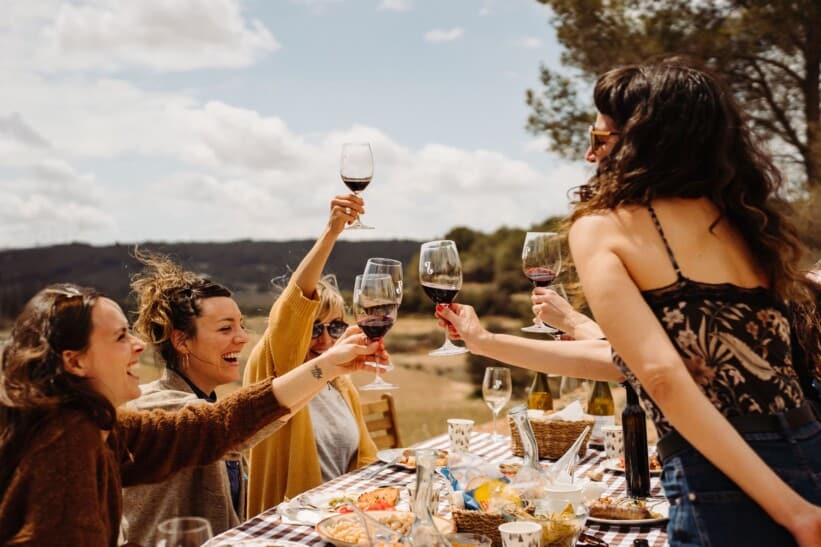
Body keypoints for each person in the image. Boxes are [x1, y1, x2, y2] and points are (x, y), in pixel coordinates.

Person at [559, 57, 821, 545]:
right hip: (809, 442)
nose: (590, 156)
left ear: (638, 141)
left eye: (599, 138)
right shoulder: (743, 223)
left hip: (726, 476)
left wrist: (796, 513)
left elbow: (663, 377)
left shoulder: (603, 229)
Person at [0, 283, 380, 545]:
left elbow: (214, 428)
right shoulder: (64, 449)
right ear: (75, 361)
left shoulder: (99, 426)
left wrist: (327, 366)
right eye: (120, 337)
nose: (137, 345)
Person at [121, 194, 371, 542]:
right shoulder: (153, 409)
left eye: (240, 325)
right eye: (225, 329)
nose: (242, 339)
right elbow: (227, 422)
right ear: (181, 341)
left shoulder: (208, 405)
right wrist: (331, 231)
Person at [244, 194, 378, 515]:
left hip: (338, 519)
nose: (326, 341)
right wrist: (331, 232)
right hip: (288, 526)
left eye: (335, 328)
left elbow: (365, 457)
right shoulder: (276, 368)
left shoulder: (341, 384)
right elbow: (296, 302)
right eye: (314, 329)